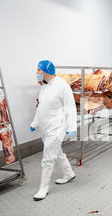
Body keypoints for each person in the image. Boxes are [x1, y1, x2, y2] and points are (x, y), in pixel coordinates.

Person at [30, 60, 77, 201]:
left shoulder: (62, 86)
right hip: (45, 126)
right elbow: (41, 107)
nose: (37, 73)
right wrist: (35, 122)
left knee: (48, 157)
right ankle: (69, 173)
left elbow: (70, 107)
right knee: (56, 152)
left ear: (46, 71)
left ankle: (44, 188)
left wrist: (72, 127)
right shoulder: (44, 86)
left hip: (57, 126)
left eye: (39, 70)